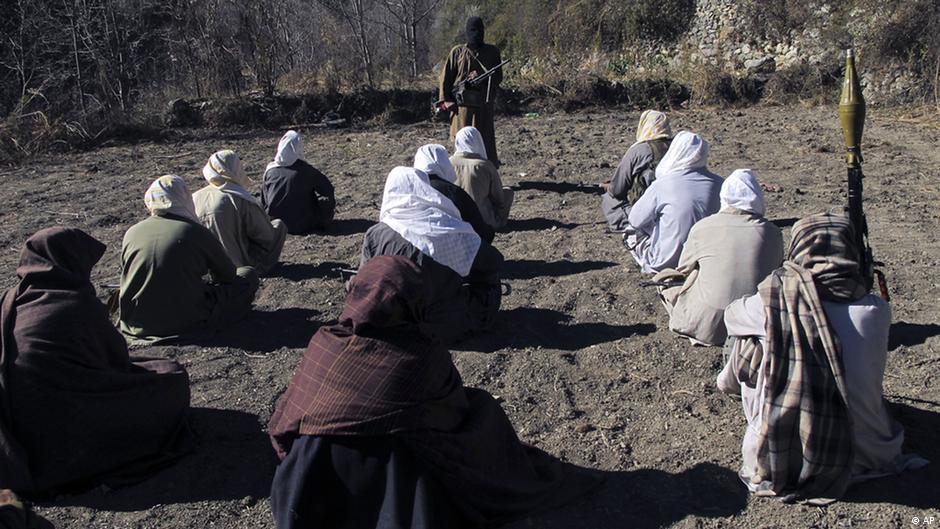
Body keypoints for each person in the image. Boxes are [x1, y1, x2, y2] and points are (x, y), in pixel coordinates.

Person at [268, 256, 601, 529]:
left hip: (309, 494)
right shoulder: (418, 353)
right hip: (398, 499)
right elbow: (450, 416)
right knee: (480, 410)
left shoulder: (325, 342)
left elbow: (286, 421)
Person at [717, 213, 928, 504]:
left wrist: (774, 286)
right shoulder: (877, 310)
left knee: (747, 340)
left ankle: (739, 397)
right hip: (873, 452)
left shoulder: (771, 301)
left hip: (784, 463)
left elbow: (730, 316)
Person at [0, 227, 191, 497]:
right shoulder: (74, 302)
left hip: (14, 418)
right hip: (61, 418)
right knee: (172, 378)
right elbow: (115, 361)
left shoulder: (12, 298)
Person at [360, 167, 503, 344]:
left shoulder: (374, 233)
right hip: (443, 326)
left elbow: (364, 281)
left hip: (391, 325)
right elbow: (493, 261)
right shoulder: (444, 228)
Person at [120, 175, 259, 344]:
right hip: (187, 322)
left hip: (136, 324)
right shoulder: (195, 232)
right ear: (185, 198)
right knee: (247, 275)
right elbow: (228, 276)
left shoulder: (132, 232)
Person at [654, 169, 783, 346]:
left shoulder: (703, 227)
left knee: (670, 279)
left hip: (709, 327)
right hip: (756, 325)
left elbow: (683, 268)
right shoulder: (774, 233)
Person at [626, 131, 723, 274]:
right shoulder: (721, 184)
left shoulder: (663, 184)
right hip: (707, 260)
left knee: (631, 231)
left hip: (666, 263)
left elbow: (635, 220)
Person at [194, 150, 287, 275]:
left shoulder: (194, 198)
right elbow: (266, 236)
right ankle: (263, 268)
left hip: (206, 269)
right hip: (241, 268)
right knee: (278, 226)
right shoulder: (240, 198)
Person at [439, 16, 503, 168]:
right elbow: (445, 78)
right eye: (473, 30)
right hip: (462, 108)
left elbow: (498, 77)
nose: (477, 33)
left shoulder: (492, 52)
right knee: (462, 143)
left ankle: (487, 174)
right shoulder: (458, 52)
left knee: (485, 142)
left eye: (480, 30)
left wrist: (483, 79)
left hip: (483, 106)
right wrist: (446, 101)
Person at [600, 110, 673, 232]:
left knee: (610, 198)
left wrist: (610, 186)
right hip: (676, 206)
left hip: (650, 210)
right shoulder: (678, 146)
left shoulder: (639, 151)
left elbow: (617, 190)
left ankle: (630, 225)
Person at [414, 143, 495, 243]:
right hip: (452, 249)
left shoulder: (409, 191)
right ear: (444, 163)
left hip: (415, 248)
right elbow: (479, 229)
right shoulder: (454, 192)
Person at [262, 130, 336, 235]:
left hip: (276, 223)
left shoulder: (270, 171)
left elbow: (264, 200)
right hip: (303, 224)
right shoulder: (305, 170)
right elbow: (328, 189)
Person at [450, 126, 513, 230]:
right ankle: (499, 222)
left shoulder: (449, 162)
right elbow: (498, 198)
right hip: (483, 221)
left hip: (456, 220)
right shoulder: (485, 165)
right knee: (508, 192)